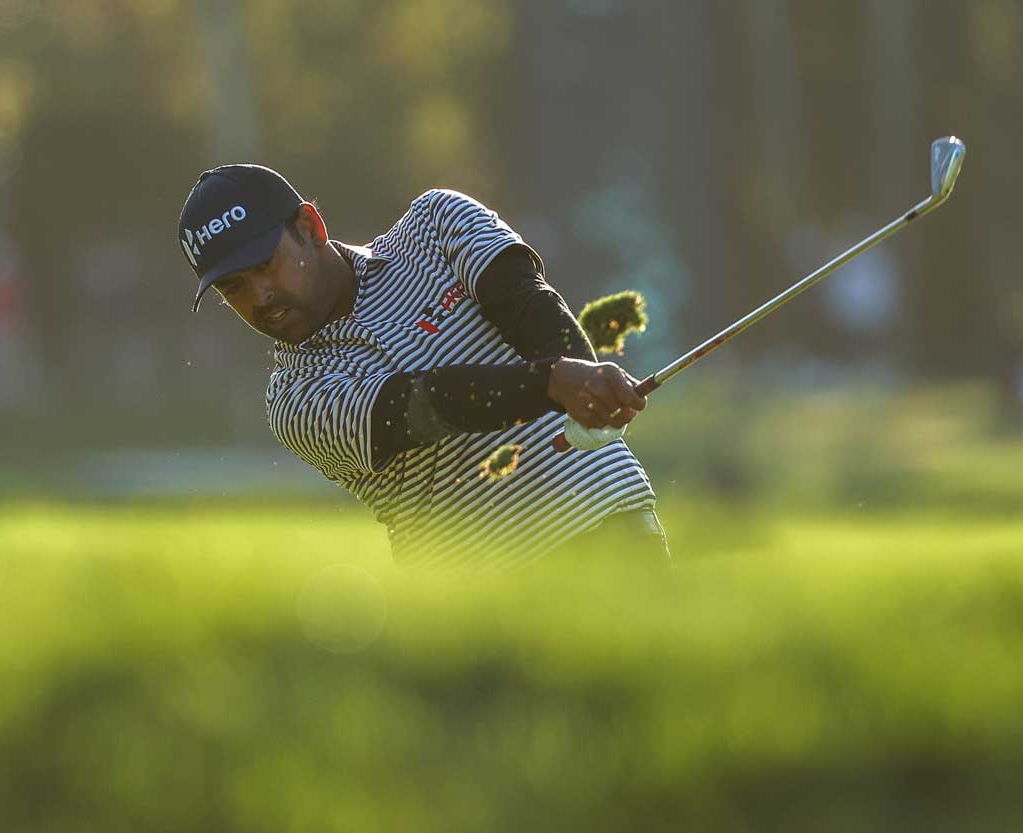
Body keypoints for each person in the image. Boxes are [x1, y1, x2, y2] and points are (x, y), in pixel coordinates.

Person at [178, 165, 671, 571]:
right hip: (480, 601)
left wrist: (584, 381)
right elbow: (425, 405)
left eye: (265, 265)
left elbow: (529, 306)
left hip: (612, 528)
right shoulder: (294, 399)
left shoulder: (435, 223)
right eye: (233, 288)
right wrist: (558, 382)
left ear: (309, 229)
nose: (260, 297)